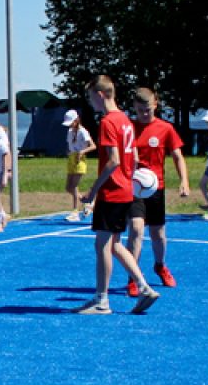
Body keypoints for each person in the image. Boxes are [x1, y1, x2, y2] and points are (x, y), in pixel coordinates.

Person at [73, 76, 160, 315]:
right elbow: (129, 158)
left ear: (100, 95)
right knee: (114, 243)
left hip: (112, 191)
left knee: (101, 244)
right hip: (125, 190)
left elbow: (114, 160)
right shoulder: (125, 120)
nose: (91, 103)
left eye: (92, 98)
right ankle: (144, 287)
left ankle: (102, 300)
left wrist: (93, 190)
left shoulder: (109, 122)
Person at [125, 87, 190, 295]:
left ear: (155, 104)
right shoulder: (128, 128)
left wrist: (184, 181)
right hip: (134, 189)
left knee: (158, 233)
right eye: (140, 110)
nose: (144, 114)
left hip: (156, 188)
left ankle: (160, 265)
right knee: (136, 229)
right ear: (134, 107)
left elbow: (178, 156)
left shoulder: (165, 129)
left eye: (148, 110)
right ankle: (134, 277)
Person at [62, 109, 96, 221]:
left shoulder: (83, 131)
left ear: (76, 121)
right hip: (71, 158)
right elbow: (69, 144)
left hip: (80, 159)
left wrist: (82, 151)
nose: (69, 125)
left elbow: (93, 146)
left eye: (71, 122)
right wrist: (69, 152)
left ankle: (75, 211)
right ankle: (87, 202)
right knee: (68, 187)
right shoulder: (70, 131)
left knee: (74, 186)